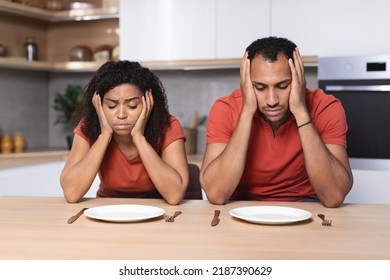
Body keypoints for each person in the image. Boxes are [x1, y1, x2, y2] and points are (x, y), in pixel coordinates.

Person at [200, 36, 353, 208]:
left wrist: (301, 111)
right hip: (241, 204)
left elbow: (334, 196)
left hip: (306, 205)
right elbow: (216, 194)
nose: (272, 100)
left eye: (283, 86)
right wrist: (247, 111)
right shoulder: (225, 108)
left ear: (299, 79)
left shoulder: (326, 107)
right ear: (246, 83)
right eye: (259, 87)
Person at [60, 60, 189, 204]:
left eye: (132, 106)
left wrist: (139, 138)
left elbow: (174, 195)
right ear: (99, 105)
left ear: (150, 102)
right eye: (111, 106)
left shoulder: (168, 126)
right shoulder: (89, 126)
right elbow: (71, 193)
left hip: (158, 210)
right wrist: (104, 136)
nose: (121, 114)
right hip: (106, 209)